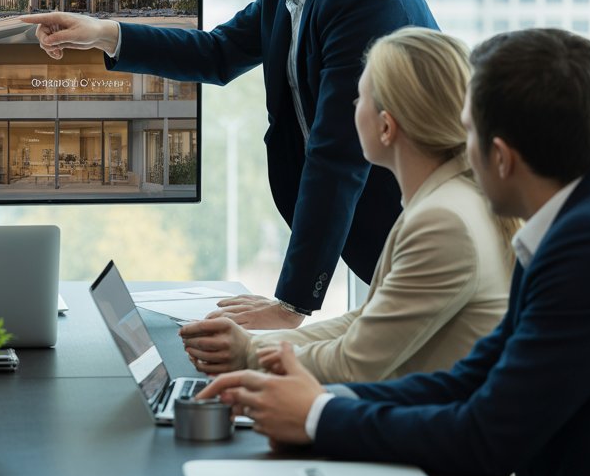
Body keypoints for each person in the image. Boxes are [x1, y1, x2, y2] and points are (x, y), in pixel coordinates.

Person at [23, 0, 437, 329]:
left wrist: (291, 305)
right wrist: (103, 32)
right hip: (385, 233)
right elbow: (219, 53)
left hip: (414, 232)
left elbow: (338, 154)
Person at [198, 28, 590, 476]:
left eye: (470, 133)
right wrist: (319, 407)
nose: (463, 151)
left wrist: (317, 416)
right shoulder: (559, 232)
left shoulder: (579, 249)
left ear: (502, 157)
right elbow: (472, 379)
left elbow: (488, 432)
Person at [180, 27, 515, 381]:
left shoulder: (444, 220)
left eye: (359, 98)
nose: (352, 107)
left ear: (386, 127)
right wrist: (252, 344)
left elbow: (356, 361)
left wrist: (250, 354)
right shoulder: (451, 200)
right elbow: (365, 321)